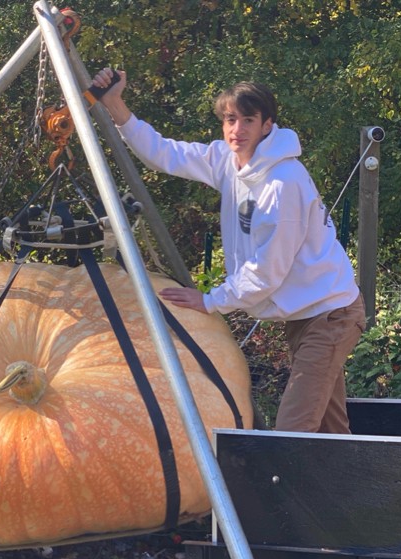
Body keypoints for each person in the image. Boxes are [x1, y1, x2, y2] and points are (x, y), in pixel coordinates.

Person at [91, 68, 366, 434]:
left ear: (267, 125)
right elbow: (164, 154)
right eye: (230, 119)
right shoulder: (227, 160)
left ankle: (283, 475)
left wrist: (211, 301)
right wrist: (115, 105)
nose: (237, 129)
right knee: (330, 432)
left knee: (293, 433)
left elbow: (266, 271)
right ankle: (352, 474)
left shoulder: (283, 183)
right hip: (306, 315)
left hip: (331, 316)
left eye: (248, 120)